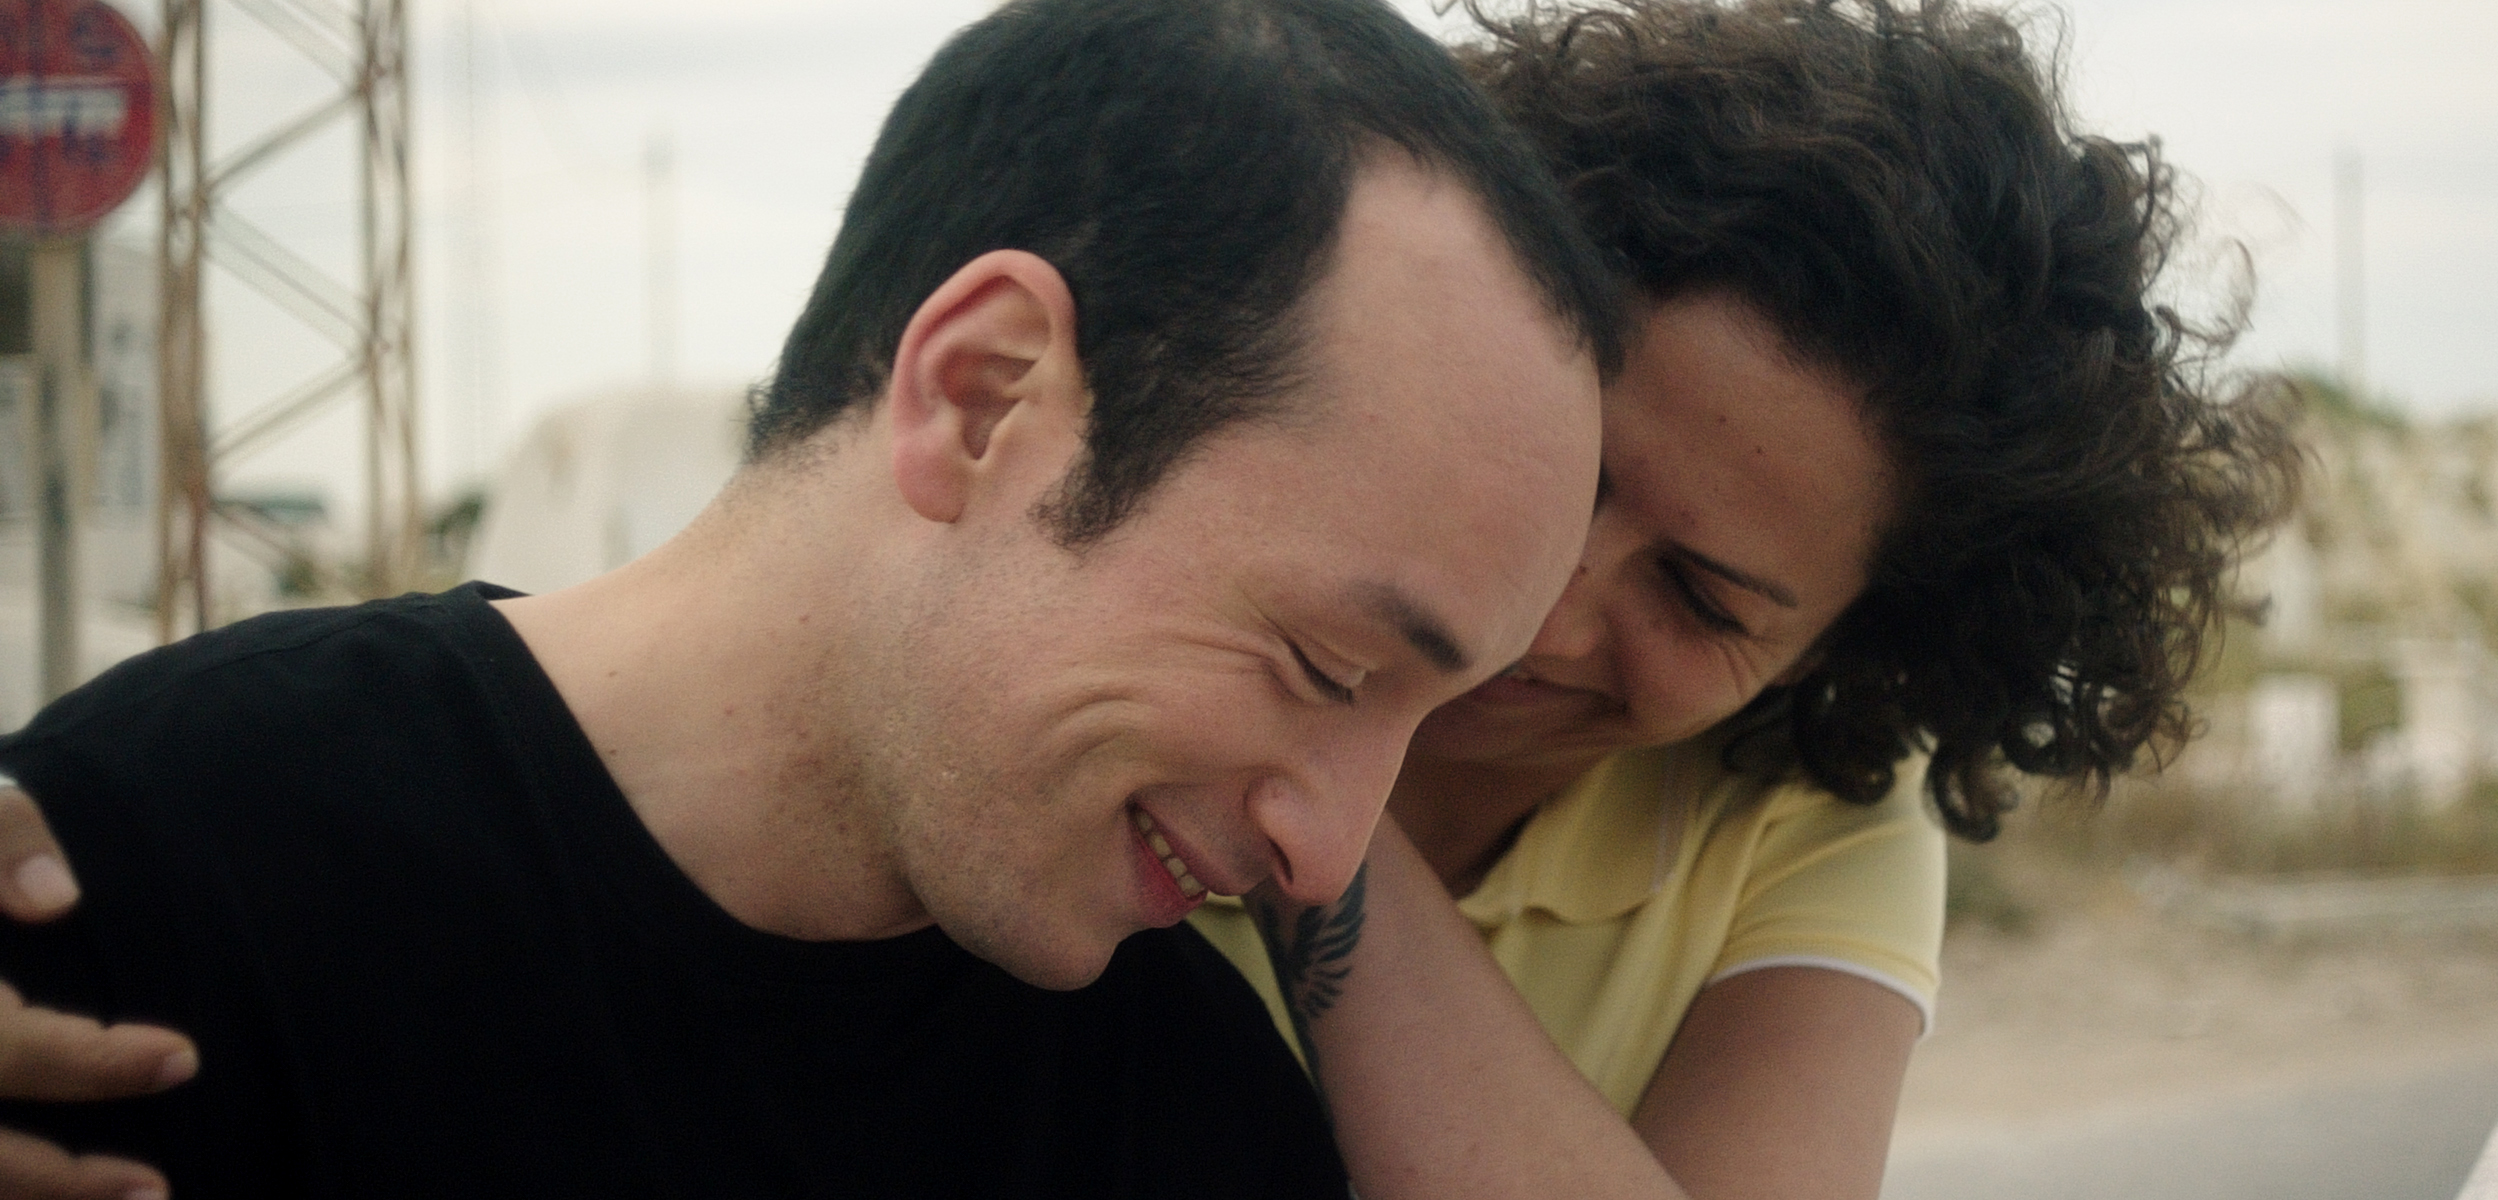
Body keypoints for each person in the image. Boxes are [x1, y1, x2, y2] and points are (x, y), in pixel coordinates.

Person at [0, 0, 1623, 1194]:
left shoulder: (1192, 1108)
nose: (1332, 860)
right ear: (982, 395)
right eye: (1327, 664)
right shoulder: (143, 877)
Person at [1189, 2, 2301, 1198]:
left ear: (1838, 650)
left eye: (1700, 601)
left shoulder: (1809, 819)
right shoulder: (1144, 606)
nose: (1545, 617)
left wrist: (1306, 774)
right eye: (1571, 473)